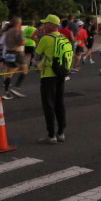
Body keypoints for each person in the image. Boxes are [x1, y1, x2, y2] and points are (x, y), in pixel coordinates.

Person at [35, 14, 68, 145]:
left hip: (48, 75)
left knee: (48, 105)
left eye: (46, 23)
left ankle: (51, 135)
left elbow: (36, 57)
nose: (43, 26)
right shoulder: (63, 38)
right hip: (61, 74)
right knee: (60, 103)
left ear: (52, 25)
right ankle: (61, 133)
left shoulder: (46, 39)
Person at [2, 17, 25, 99]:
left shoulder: (8, 32)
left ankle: (6, 92)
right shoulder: (18, 31)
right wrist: (24, 41)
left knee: (10, 72)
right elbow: (21, 42)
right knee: (24, 69)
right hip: (17, 52)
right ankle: (16, 87)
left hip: (8, 52)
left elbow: (2, 41)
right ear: (18, 23)